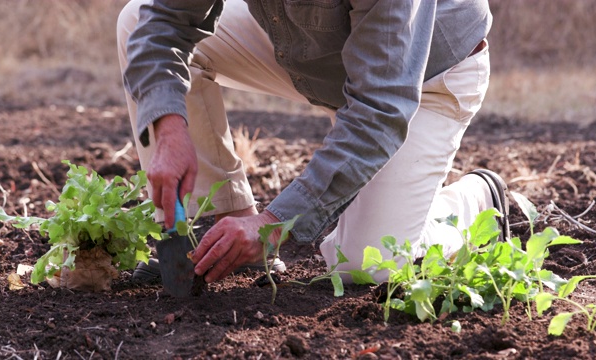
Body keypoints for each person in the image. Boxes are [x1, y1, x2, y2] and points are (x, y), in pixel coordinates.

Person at [117, 0, 509, 285]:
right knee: (135, 19)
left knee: (366, 264)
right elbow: (164, 23)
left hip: (424, 79)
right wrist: (168, 127)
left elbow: (381, 107)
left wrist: (273, 224)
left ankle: (474, 202)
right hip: (315, 52)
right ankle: (224, 220)